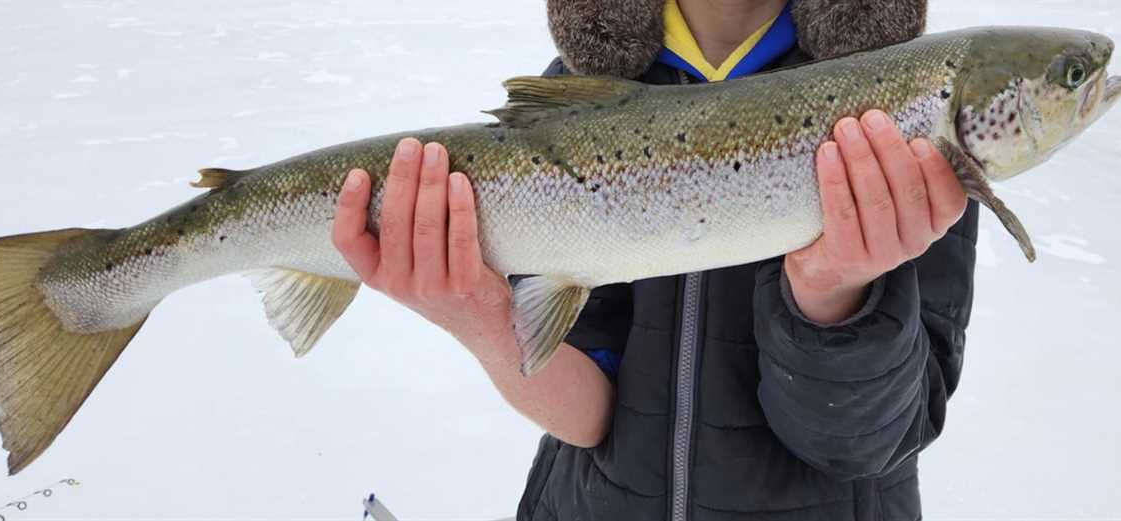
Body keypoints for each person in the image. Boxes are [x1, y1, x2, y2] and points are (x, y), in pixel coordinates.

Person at [330, 0, 978, 518]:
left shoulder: (900, 115)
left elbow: (875, 442)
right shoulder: (580, 93)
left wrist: (835, 296)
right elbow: (589, 417)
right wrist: (477, 314)